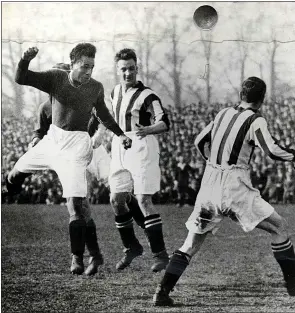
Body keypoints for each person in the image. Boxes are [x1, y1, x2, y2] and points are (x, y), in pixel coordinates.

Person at [153, 77, 295, 306]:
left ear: (241, 95)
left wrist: (213, 163)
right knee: (279, 227)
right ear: (262, 99)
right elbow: (271, 150)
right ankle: (293, 285)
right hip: (235, 187)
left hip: (209, 184)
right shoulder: (255, 120)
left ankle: (162, 291)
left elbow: (199, 140)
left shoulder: (222, 114)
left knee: (191, 243)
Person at [5, 44, 132, 276]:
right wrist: (25, 59)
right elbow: (21, 78)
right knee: (15, 173)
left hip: (78, 146)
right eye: (85, 66)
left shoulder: (94, 88)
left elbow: (103, 114)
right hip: (53, 141)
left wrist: (120, 134)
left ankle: (78, 257)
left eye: (92, 67)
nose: (89, 71)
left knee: (76, 205)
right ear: (72, 64)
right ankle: (10, 187)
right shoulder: (53, 85)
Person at [109, 48, 170, 272]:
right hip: (119, 145)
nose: (128, 73)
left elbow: (165, 123)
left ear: (137, 68)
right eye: (123, 69)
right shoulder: (114, 92)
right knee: (116, 199)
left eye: (131, 69)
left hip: (142, 145)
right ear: (117, 70)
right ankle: (131, 247)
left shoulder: (148, 95)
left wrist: (148, 129)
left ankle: (161, 255)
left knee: (143, 200)